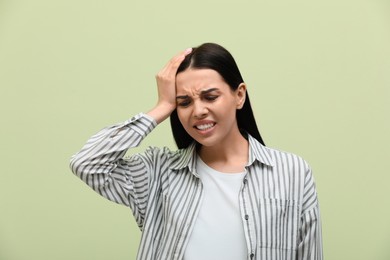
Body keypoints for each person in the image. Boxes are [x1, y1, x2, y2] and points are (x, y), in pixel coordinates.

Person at [70, 43, 323, 260]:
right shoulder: (158, 172)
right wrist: (161, 107)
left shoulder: (292, 172)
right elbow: (88, 163)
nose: (198, 111)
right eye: (185, 102)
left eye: (210, 97)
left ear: (239, 95)